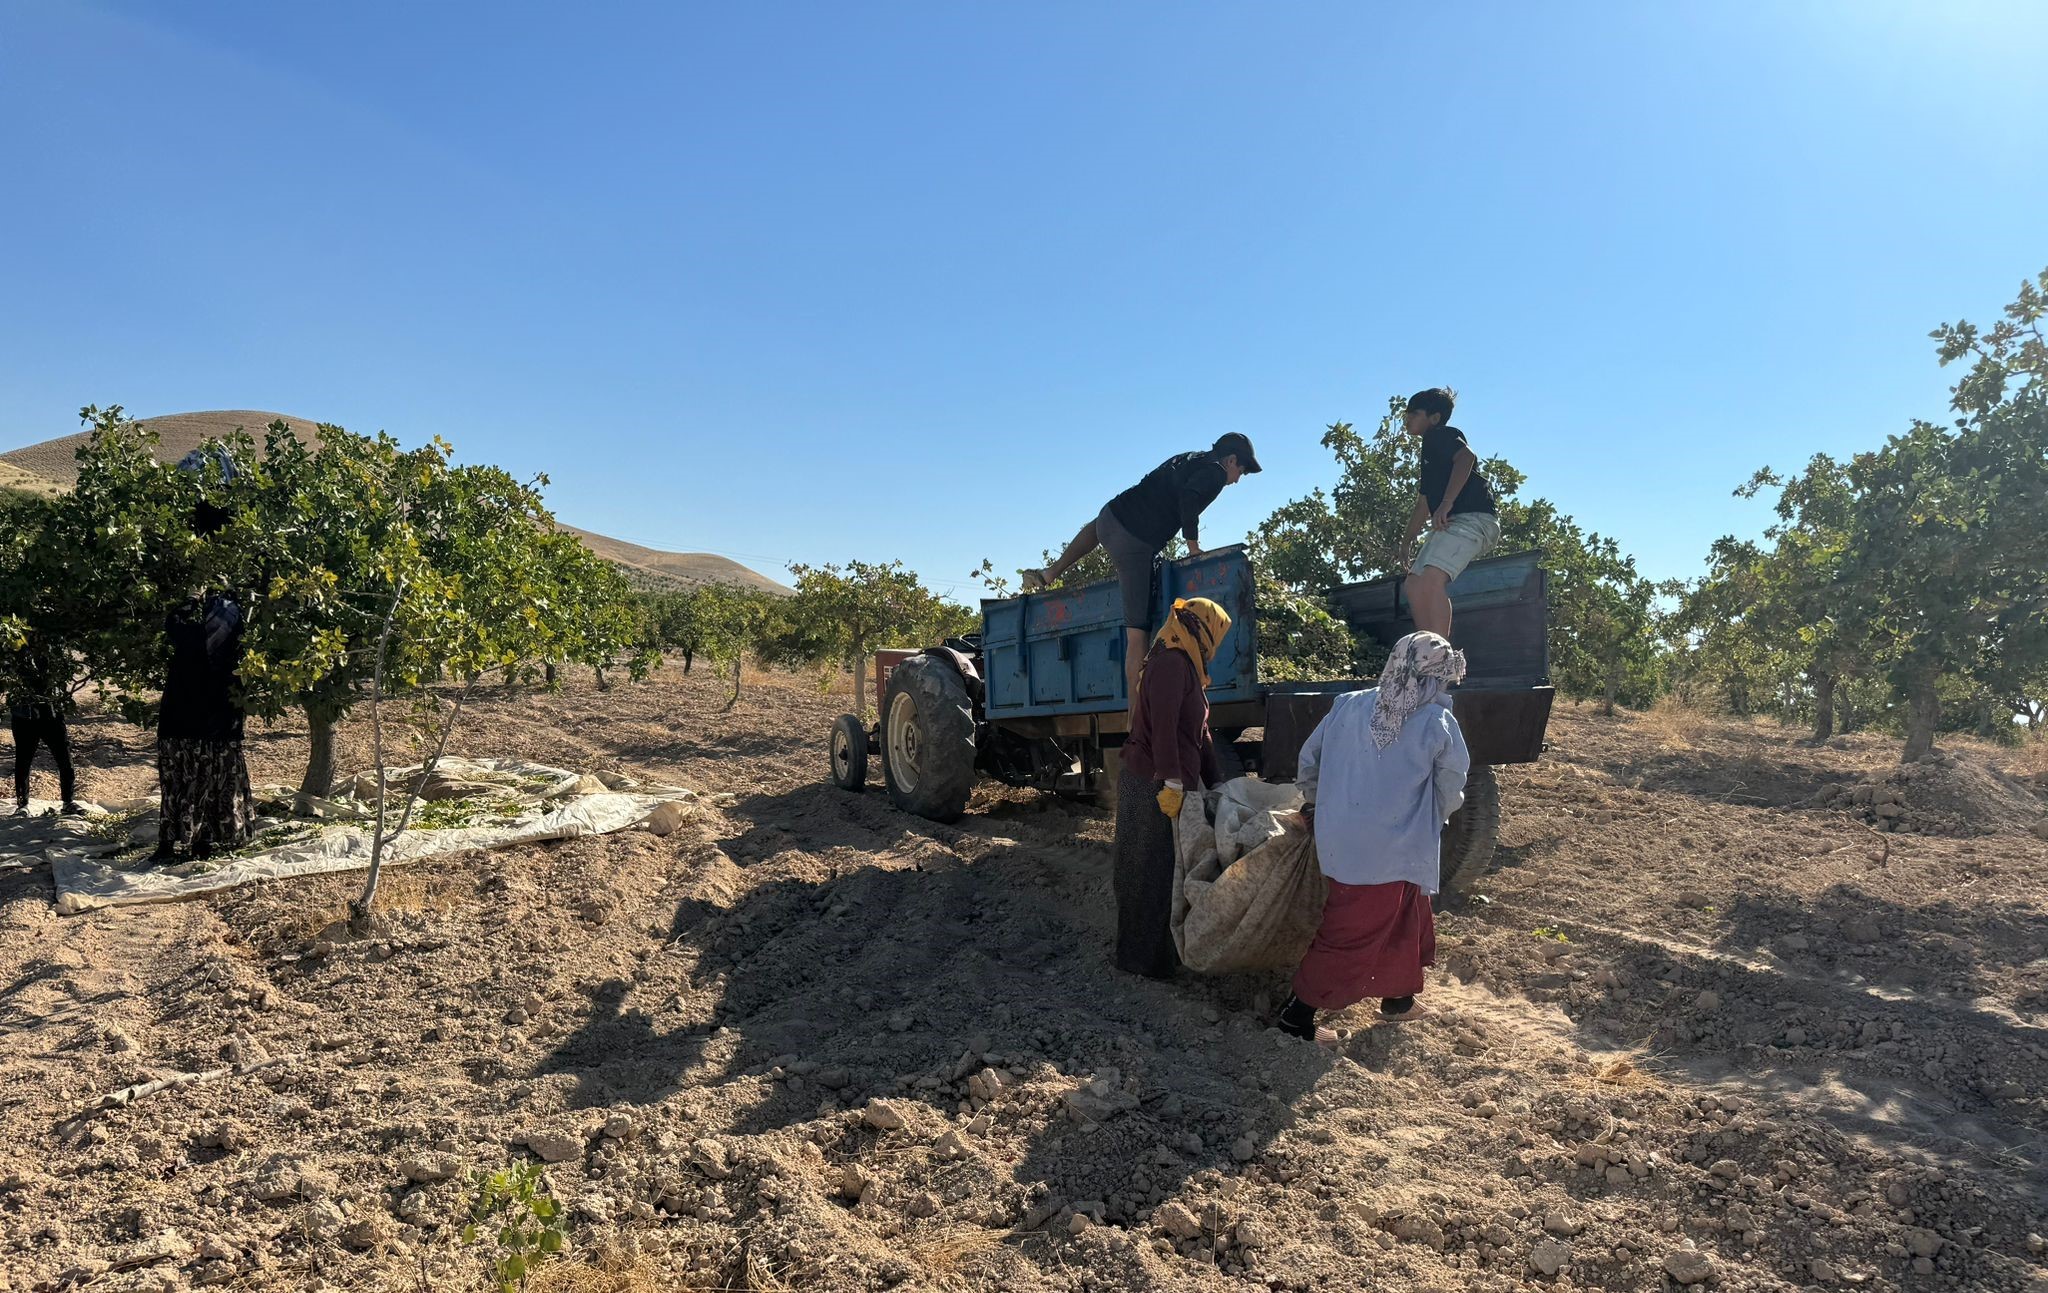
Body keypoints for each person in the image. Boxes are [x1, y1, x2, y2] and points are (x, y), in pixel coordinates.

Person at [1278, 632, 1470, 1043]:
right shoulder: (1437, 721)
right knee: (1351, 932)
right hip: (1395, 846)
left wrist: (1317, 804)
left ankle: (1398, 1000)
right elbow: (1451, 787)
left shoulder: (1347, 705)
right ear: (1434, 677)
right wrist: (1435, 817)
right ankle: (1296, 1017)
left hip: (1342, 840)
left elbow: (1309, 761)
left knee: (1406, 914)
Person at [1023, 434, 1260, 700]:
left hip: (1110, 516)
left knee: (1098, 525)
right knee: (1138, 636)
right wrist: (1193, 548)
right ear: (1230, 460)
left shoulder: (1186, 458)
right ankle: (1135, 721)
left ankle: (1050, 573)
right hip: (1134, 544)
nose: (1237, 479)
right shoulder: (1215, 473)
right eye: (1241, 470)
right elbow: (1189, 498)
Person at [1113, 597, 1232, 980]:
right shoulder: (1170, 664)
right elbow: (1163, 727)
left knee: (1168, 872)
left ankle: (1161, 955)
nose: (1215, 644)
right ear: (1200, 629)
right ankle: (1141, 963)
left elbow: (1201, 734)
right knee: (1146, 870)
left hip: (1165, 782)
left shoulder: (1188, 667)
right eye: (1214, 634)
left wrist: (1220, 784)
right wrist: (1171, 781)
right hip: (1150, 782)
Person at [153, 449, 253, 863]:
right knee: (203, 770)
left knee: (192, 771)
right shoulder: (226, 606)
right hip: (206, 706)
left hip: (202, 706)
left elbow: (185, 632)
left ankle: (193, 839)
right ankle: (202, 838)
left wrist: (187, 603)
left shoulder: (218, 609)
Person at [1398, 388, 1499, 640]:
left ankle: (1439, 655)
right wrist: (1406, 541)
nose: (1407, 419)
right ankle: (1426, 645)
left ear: (1434, 417)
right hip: (1456, 522)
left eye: (1414, 413)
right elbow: (1423, 503)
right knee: (1413, 583)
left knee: (1431, 579)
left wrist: (1446, 503)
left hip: (1474, 518)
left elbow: (1466, 457)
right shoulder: (1429, 452)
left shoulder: (1439, 435)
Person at [7, 639, 81, 817]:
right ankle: (22, 805)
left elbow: (62, 673)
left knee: (64, 758)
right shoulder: (14, 650)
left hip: (51, 712)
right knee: (23, 761)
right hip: (24, 714)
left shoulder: (53, 647)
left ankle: (68, 802)